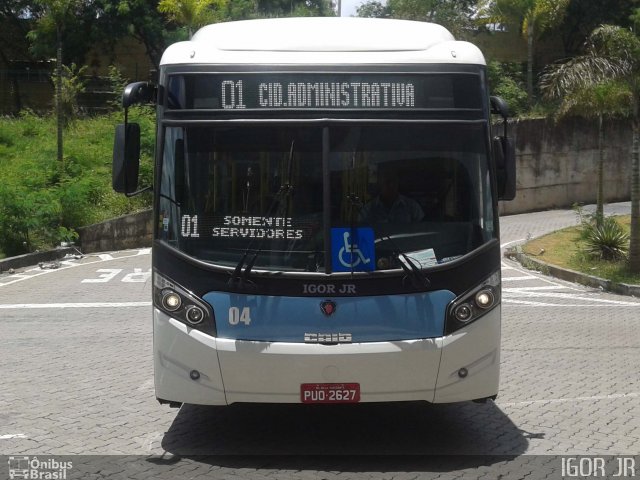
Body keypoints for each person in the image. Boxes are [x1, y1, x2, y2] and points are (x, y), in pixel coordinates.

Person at [358, 169, 424, 223]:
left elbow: (422, 231)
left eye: (394, 181)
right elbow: (361, 233)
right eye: (387, 182)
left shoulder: (413, 207)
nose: (391, 185)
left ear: (398, 183)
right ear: (380, 184)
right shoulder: (368, 210)